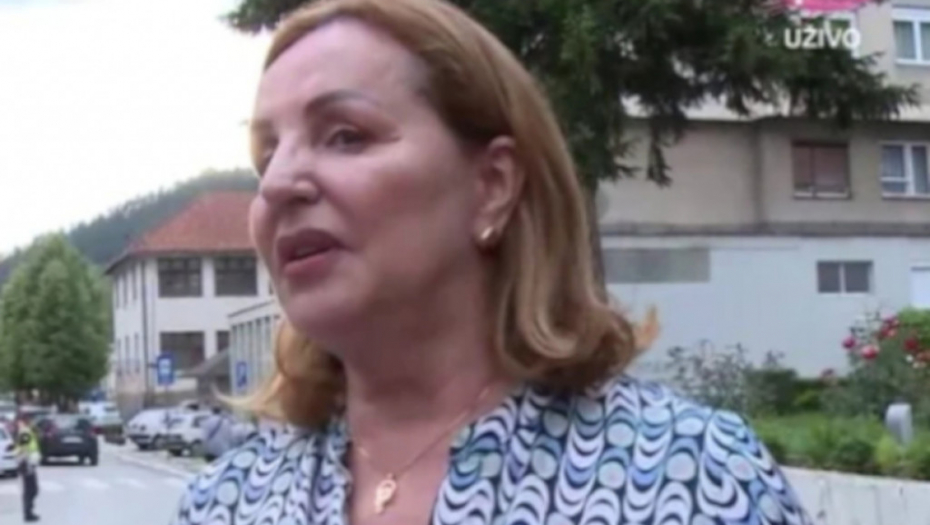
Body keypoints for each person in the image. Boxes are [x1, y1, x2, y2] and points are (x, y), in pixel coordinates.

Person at [170, 0, 812, 523]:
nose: (279, 184)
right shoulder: (223, 504)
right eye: (267, 156)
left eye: (346, 135)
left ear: (493, 185)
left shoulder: (692, 478)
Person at [15, 414, 40, 522]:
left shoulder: (25, 431)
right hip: (27, 464)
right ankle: (28, 513)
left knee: (31, 489)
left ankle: (29, 511)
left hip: (28, 464)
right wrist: (26, 464)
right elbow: (23, 449)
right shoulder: (25, 432)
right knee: (31, 490)